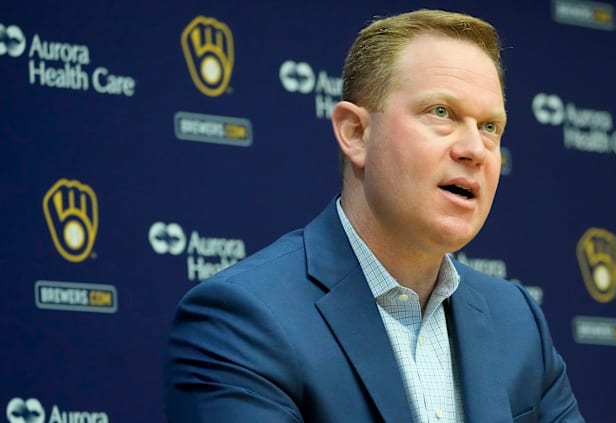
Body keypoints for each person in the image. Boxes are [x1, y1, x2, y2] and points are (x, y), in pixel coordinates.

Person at [164, 9, 584, 423]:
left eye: (490, 127)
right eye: (441, 113)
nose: (474, 149)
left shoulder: (517, 320)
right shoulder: (243, 320)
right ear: (356, 134)